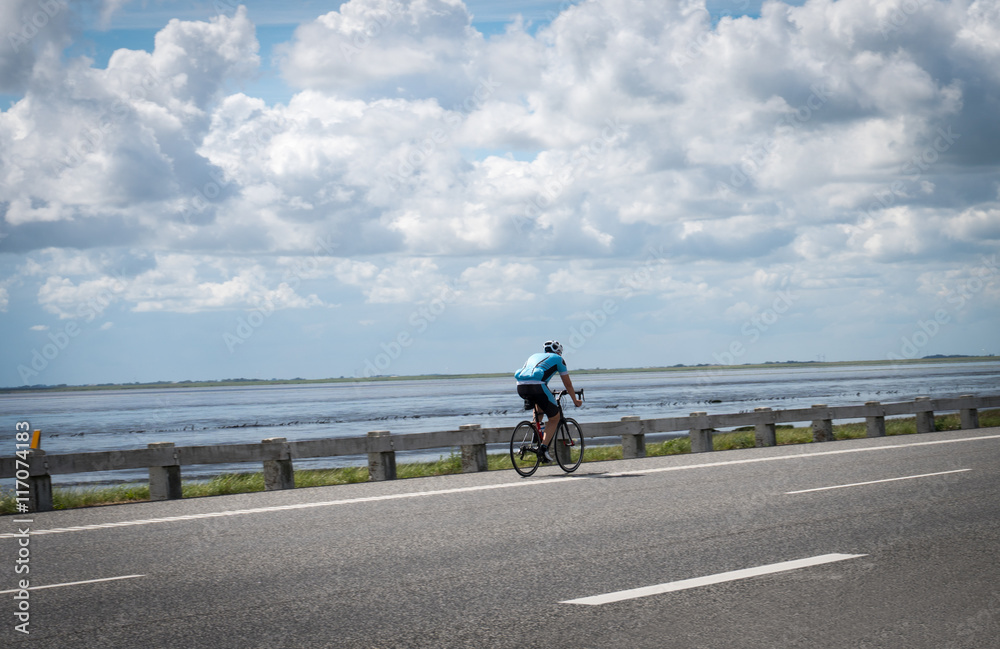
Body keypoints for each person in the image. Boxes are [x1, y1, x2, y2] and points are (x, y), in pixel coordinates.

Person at [514, 340, 582, 463]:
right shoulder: (559, 359)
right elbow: (567, 384)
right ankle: (544, 449)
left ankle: (536, 430)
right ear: (559, 352)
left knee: (539, 406)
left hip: (520, 386)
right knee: (554, 418)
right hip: (538, 386)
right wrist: (575, 400)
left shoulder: (534, 356)